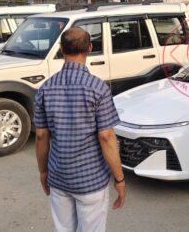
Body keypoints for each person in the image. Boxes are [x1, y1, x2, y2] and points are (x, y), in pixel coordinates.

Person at [34, 27, 126, 232]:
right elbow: (107, 137)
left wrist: (43, 171)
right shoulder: (97, 87)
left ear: (61, 49)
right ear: (90, 48)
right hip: (91, 180)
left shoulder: (45, 89)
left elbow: (41, 136)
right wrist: (119, 179)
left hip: (58, 177)